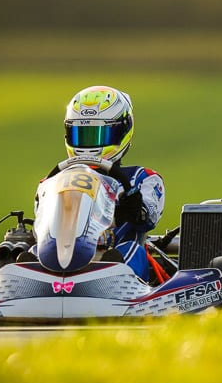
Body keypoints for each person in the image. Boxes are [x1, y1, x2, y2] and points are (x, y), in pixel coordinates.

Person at [35, 85, 165, 281]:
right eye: (81, 135)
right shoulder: (52, 182)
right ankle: (18, 275)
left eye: (98, 135)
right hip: (60, 255)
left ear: (123, 132)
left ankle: (117, 276)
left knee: (131, 251)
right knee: (30, 249)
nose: (89, 145)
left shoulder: (142, 179)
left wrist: (132, 204)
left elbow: (147, 220)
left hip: (112, 255)